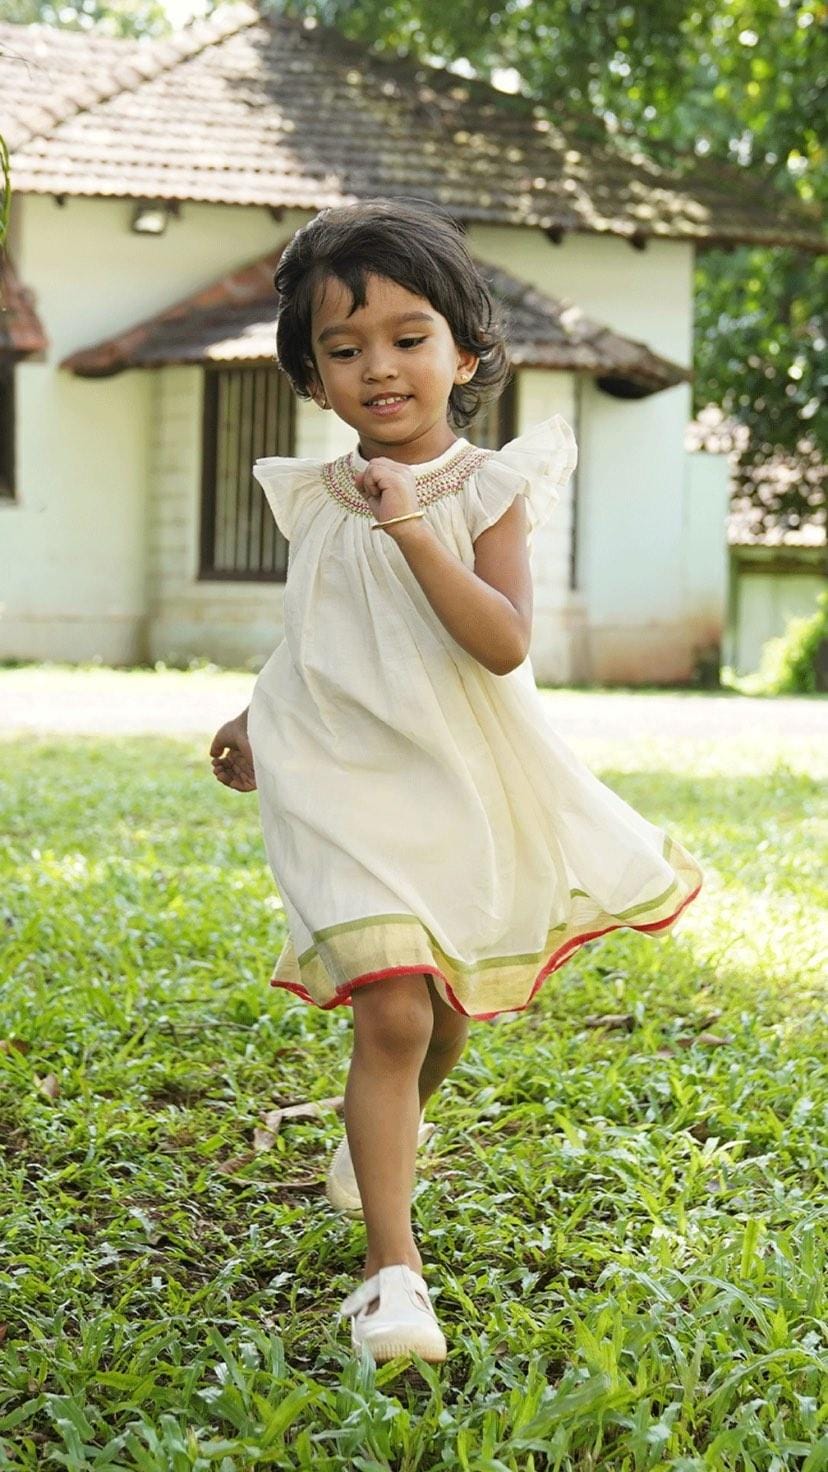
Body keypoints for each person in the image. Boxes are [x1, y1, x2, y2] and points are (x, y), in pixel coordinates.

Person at [209, 197, 703, 1365]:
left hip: (457, 782)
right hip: (338, 776)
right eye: (344, 347)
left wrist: (418, 527)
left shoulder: (490, 484)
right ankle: (393, 1275)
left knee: (441, 1010)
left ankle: (385, 1127)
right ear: (316, 380)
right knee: (387, 1006)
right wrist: (252, 712)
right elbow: (325, 634)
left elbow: (502, 640)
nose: (379, 365)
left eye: (408, 335)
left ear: (464, 353)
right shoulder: (317, 496)